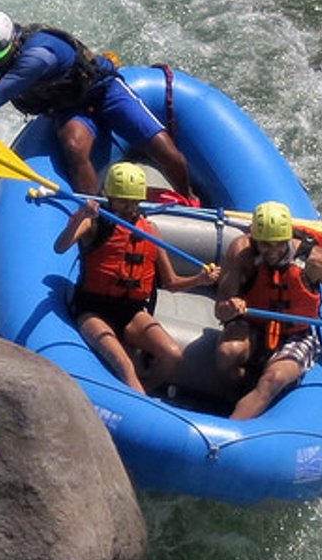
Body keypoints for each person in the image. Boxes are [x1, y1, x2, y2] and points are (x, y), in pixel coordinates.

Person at [0, 10, 196, 200]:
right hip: (67, 106)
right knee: (74, 147)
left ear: (13, 43)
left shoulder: (37, 57)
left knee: (165, 151)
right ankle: (96, 212)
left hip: (103, 90)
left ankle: (188, 197)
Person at [55, 161, 217, 395]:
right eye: (122, 200)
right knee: (125, 364)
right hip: (93, 310)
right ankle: (138, 395)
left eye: (133, 201)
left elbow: (171, 283)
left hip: (132, 312)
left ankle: (142, 394)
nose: (128, 207)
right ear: (109, 196)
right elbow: (60, 247)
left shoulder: (149, 230)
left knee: (173, 355)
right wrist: (81, 216)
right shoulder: (93, 223)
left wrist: (199, 280)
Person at [214, 200, 322, 421]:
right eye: (265, 245)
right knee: (227, 353)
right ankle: (236, 399)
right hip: (253, 325)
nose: (272, 251)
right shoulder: (242, 253)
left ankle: (230, 430)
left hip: (297, 335)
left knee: (273, 379)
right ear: (255, 240)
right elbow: (220, 311)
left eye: (278, 244)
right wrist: (231, 306)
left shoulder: (313, 259)